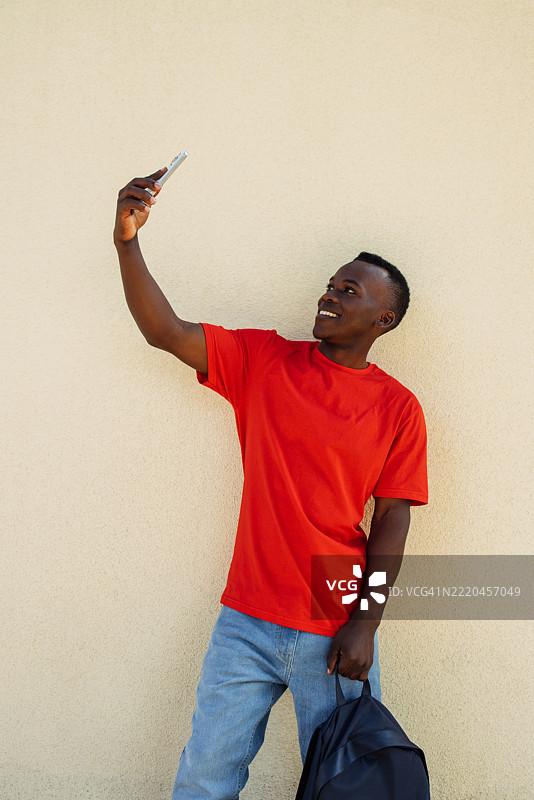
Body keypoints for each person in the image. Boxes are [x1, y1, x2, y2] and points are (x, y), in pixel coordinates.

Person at [114, 167, 428, 800]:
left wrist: (366, 624)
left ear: (384, 318)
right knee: (204, 779)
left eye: (349, 291)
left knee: (347, 788)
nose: (330, 296)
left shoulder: (398, 408)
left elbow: (393, 520)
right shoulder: (264, 360)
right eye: (331, 284)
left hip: (333, 625)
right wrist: (127, 241)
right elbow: (165, 332)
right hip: (245, 619)